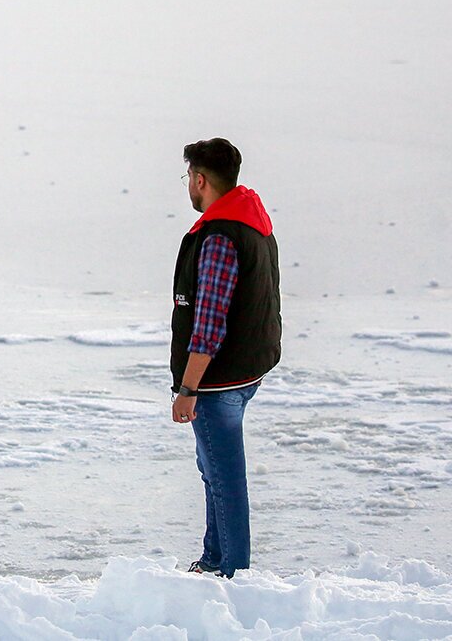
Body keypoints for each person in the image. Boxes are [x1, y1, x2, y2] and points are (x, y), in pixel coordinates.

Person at [169, 138, 281, 578]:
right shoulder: (252, 221)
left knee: (225, 478)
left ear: (200, 180)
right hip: (245, 370)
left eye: (188, 178)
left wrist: (188, 388)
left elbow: (209, 324)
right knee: (214, 470)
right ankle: (214, 560)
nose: (188, 186)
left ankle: (233, 575)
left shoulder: (219, 236)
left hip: (218, 380)